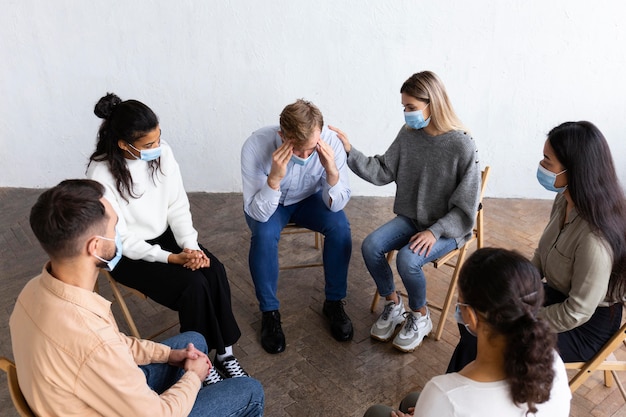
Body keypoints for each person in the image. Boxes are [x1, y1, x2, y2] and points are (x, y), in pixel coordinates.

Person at [9, 179, 264, 416]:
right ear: (95, 246)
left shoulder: (33, 289)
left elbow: (113, 345)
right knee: (250, 391)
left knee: (194, 341)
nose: (119, 233)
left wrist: (168, 355)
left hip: (85, 392)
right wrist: (193, 378)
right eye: (114, 226)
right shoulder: (93, 340)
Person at [86, 93, 246, 382]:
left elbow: (177, 205)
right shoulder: (100, 174)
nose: (156, 148)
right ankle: (198, 364)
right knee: (193, 287)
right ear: (123, 144)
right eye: (148, 144)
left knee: (214, 271)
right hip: (129, 253)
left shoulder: (163, 152)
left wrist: (190, 247)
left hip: (166, 236)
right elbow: (119, 237)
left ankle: (225, 354)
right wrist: (170, 258)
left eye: (159, 139)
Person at [448, 121, 626, 372]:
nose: (541, 166)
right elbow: (542, 254)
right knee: (474, 312)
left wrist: (519, 318)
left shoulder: (594, 239)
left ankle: (459, 397)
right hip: (556, 295)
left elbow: (576, 312)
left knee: (485, 333)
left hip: (584, 327)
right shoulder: (564, 200)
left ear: (574, 170)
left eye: (547, 160)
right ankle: (462, 393)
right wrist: (513, 288)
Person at [331, 71, 480, 352]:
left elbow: (465, 208)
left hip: (447, 227)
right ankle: (393, 303)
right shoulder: (409, 134)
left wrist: (435, 231)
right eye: (404, 107)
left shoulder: (462, 144)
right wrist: (350, 151)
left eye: (411, 107)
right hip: (413, 219)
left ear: (432, 104)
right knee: (370, 245)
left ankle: (421, 316)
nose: (407, 114)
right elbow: (383, 169)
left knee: (408, 260)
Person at [363, 248, 572, 417]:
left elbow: (454, 405)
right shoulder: (553, 362)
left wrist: (431, 411)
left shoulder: (445, 394)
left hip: (444, 406)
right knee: (413, 400)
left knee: (377, 413)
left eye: (460, 302)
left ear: (471, 316)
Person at [241, 99, 353, 354]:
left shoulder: (330, 142)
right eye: (298, 149)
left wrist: (332, 173)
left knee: (340, 227)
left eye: (310, 149)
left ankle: (334, 302)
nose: (304, 156)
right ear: (282, 136)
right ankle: (269, 312)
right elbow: (257, 212)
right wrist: (274, 178)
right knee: (264, 234)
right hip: (270, 201)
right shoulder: (255, 146)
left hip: (309, 200)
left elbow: (336, 204)